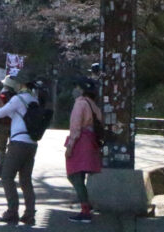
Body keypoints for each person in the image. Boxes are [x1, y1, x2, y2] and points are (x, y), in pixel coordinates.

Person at [0, 75, 38, 225]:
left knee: (7, 176)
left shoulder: (18, 99)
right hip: (31, 142)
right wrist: (0, 104)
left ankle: (12, 211)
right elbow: (14, 114)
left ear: (20, 84)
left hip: (18, 142)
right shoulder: (33, 99)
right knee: (25, 180)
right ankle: (30, 213)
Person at [65, 79, 104, 223]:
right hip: (91, 141)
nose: (75, 89)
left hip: (80, 141)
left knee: (74, 174)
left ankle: (85, 210)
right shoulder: (93, 105)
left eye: (77, 86)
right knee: (80, 174)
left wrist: (70, 146)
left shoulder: (80, 103)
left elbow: (75, 127)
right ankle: (86, 205)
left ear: (81, 90)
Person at [0, 83, 15, 179]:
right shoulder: (16, 97)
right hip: (13, 125)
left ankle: (1, 165)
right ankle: (10, 167)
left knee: (1, 148)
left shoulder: (0, 96)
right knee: (12, 148)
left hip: (1, 125)